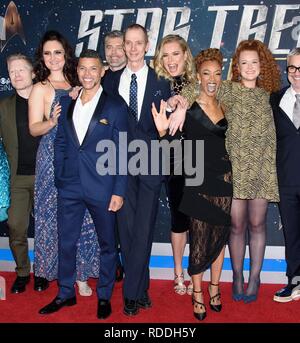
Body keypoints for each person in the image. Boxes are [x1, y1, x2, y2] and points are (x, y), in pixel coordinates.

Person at [39, 49, 128, 319]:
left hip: (103, 187)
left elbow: (123, 150)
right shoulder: (67, 103)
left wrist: (118, 191)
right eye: (82, 69)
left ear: (102, 71)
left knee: (107, 245)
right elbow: (62, 142)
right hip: (70, 186)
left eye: (93, 69)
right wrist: (59, 177)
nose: (87, 74)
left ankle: (104, 295)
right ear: (76, 71)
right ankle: (65, 293)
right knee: (66, 242)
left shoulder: (115, 106)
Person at [152, 48, 232, 320]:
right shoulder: (187, 106)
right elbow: (172, 149)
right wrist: (163, 131)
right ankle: (197, 292)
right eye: (206, 73)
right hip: (196, 179)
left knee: (219, 239)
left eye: (217, 74)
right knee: (199, 238)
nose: (212, 78)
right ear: (197, 76)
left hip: (223, 180)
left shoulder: (226, 104)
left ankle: (215, 287)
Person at [103, 24, 171, 316]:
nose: (131, 48)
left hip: (150, 162)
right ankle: (138, 290)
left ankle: (133, 290)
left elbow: (170, 119)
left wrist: (168, 123)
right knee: (126, 229)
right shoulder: (109, 81)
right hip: (118, 164)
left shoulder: (161, 80)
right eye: (126, 43)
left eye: (137, 43)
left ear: (146, 46)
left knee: (143, 228)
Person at [29, 30, 99, 296]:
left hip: (80, 159)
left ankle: (81, 275)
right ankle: (62, 275)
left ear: (65, 54)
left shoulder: (78, 81)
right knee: (54, 219)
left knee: (82, 220)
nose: (53, 58)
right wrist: (52, 122)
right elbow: (34, 129)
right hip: (51, 160)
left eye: (57, 52)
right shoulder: (40, 88)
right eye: (47, 53)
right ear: (42, 58)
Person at [216, 40, 281, 303]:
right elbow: (197, 91)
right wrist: (179, 101)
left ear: (262, 65)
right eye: (244, 62)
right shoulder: (227, 92)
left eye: (254, 62)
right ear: (237, 67)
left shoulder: (271, 95)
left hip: (263, 171)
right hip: (235, 171)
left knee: (257, 224)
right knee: (236, 225)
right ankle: (238, 276)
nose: (249, 67)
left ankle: (255, 277)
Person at [0, 54, 49, 293]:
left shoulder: (47, 100)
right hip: (17, 179)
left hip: (45, 177)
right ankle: (22, 272)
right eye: (12, 71)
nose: (17, 74)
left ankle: (42, 272)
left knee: (44, 229)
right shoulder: (4, 107)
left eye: (21, 69)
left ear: (33, 73)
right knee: (16, 225)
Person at [153, 34, 197, 296]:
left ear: (185, 55)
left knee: (198, 221)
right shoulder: (159, 86)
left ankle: (195, 273)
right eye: (165, 55)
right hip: (172, 160)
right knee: (179, 220)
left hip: (199, 158)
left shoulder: (198, 83)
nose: (170, 60)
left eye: (175, 54)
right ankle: (178, 273)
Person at [271, 47, 300, 302]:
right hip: (287, 181)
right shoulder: (275, 99)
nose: (297, 73)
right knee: (291, 233)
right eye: (293, 68)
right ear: (287, 70)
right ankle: (294, 280)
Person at [103, 30, 127, 282]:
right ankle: (115, 263)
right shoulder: (99, 79)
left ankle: (130, 263)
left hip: (139, 156)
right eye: (109, 47)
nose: (113, 52)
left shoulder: (138, 76)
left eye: (118, 46)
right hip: (107, 158)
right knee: (109, 213)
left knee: (130, 217)